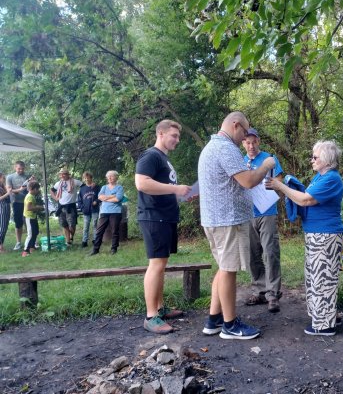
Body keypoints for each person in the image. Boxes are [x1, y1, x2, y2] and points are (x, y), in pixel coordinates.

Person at [199, 111, 275, 340]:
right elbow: (248, 180)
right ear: (235, 125)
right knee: (229, 270)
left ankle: (214, 319)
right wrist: (267, 164)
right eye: (244, 131)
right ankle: (230, 325)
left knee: (224, 268)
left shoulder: (212, 147)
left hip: (217, 219)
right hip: (226, 221)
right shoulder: (225, 148)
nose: (244, 137)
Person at [266, 140, 343, 336]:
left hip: (325, 235)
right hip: (317, 234)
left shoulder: (332, 179)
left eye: (315, 157)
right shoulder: (320, 177)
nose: (312, 160)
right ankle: (324, 316)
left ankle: (325, 325)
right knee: (314, 278)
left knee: (323, 279)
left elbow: (306, 199)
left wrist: (281, 187)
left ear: (327, 160)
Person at [135, 119, 192, 334]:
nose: (177, 140)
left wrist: (182, 194)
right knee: (156, 264)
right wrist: (176, 188)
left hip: (165, 217)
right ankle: (151, 316)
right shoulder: (151, 156)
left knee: (162, 264)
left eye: (178, 136)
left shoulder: (163, 159)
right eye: (174, 136)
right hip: (153, 217)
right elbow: (142, 183)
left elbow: (164, 188)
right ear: (161, 134)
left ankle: (159, 308)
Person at [242, 128, 284, 313]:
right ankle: (260, 290)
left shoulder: (269, 158)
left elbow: (280, 180)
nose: (251, 146)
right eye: (247, 143)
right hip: (247, 213)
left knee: (270, 252)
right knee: (252, 254)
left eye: (253, 142)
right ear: (243, 143)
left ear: (258, 141)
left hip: (266, 210)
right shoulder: (240, 161)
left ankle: (273, 294)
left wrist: (272, 185)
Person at [90, 171, 123, 256]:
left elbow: (118, 199)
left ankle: (114, 249)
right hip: (104, 211)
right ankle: (95, 249)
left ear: (116, 177)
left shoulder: (119, 188)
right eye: (108, 177)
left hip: (116, 212)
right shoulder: (104, 187)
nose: (110, 178)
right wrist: (112, 196)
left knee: (114, 231)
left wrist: (106, 198)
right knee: (99, 231)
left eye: (111, 176)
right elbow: (100, 197)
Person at [51, 169, 82, 245]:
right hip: (61, 206)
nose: (62, 175)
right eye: (61, 174)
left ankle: (71, 236)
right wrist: (55, 198)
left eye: (64, 174)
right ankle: (68, 241)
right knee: (64, 224)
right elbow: (51, 190)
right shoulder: (58, 183)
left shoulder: (75, 181)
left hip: (71, 206)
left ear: (68, 174)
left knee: (72, 224)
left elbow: (84, 186)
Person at [7, 161, 33, 250]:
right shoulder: (10, 177)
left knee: (29, 222)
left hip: (28, 202)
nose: (21, 170)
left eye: (22, 169)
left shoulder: (27, 176)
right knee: (18, 224)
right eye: (19, 169)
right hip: (16, 202)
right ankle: (18, 242)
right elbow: (9, 190)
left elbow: (33, 188)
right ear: (15, 167)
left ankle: (32, 241)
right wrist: (20, 189)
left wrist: (32, 182)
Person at [77, 171, 101, 248]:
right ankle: (84, 241)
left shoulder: (96, 187)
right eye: (85, 178)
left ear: (91, 178)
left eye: (88, 177)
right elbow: (79, 200)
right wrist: (82, 208)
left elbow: (101, 197)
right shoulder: (82, 189)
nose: (86, 179)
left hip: (94, 209)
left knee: (95, 225)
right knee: (86, 226)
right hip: (86, 211)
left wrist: (96, 201)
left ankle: (95, 240)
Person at [22, 181, 44, 257]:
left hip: (33, 217)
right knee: (30, 234)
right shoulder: (30, 196)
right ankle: (25, 250)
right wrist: (39, 207)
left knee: (35, 231)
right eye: (38, 189)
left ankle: (32, 247)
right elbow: (29, 208)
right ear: (34, 189)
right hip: (29, 218)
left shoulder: (31, 196)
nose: (38, 191)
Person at [0, 173, 11, 253]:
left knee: (5, 226)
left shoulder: (2, 187)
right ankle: (0, 247)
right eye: (3, 178)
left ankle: (1, 246)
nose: (4, 179)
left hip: (6, 207)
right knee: (3, 227)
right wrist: (8, 193)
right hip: (2, 207)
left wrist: (6, 189)